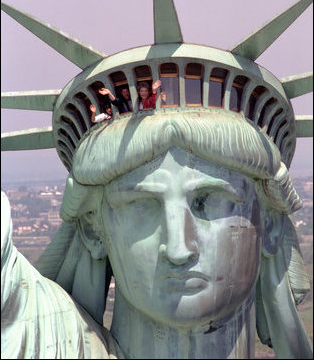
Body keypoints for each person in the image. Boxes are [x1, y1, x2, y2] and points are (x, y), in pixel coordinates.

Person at [1, 110, 312, 359]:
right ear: (93, 229)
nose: (179, 248)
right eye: (141, 206)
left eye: (209, 200)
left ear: (270, 225)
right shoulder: (43, 341)